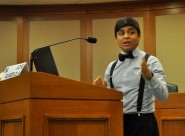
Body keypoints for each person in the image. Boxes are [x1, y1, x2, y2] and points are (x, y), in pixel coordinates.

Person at [94, 17, 168, 136]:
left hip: (144, 124)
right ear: (116, 38)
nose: (126, 36)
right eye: (121, 33)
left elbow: (163, 96)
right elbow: (109, 104)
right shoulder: (111, 67)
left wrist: (149, 76)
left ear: (139, 36)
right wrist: (101, 92)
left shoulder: (151, 61)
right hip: (117, 123)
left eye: (131, 32)